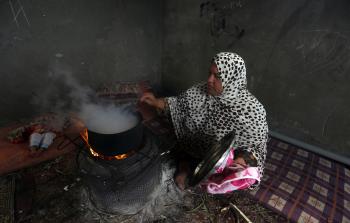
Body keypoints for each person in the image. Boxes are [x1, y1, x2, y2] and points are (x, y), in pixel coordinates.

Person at [141, 52, 268, 191]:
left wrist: (242, 160)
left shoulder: (252, 110)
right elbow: (178, 105)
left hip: (225, 158)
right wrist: (155, 102)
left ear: (232, 79)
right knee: (178, 138)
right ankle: (186, 166)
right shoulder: (201, 91)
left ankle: (210, 176)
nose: (209, 80)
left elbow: (257, 147)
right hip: (196, 146)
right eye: (210, 73)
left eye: (217, 76)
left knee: (244, 175)